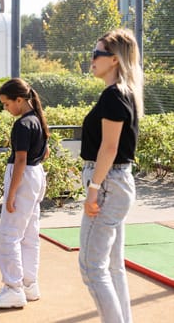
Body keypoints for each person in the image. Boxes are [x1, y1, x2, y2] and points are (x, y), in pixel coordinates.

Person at [79, 28, 143, 323]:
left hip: (107, 184)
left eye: (97, 54)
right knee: (113, 265)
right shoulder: (123, 93)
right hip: (115, 182)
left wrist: (93, 188)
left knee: (92, 267)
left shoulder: (114, 96)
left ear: (114, 59)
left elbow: (110, 147)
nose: (91, 59)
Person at [0, 78, 49, 309]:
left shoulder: (22, 124)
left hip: (23, 177)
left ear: (19, 100)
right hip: (36, 175)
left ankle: (13, 288)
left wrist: (11, 193)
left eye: (6, 104)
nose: (6, 108)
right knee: (30, 234)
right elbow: (45, 152)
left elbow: (21, 159)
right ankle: (29, 284)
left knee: (9, 233)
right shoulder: (39, 120)